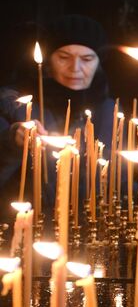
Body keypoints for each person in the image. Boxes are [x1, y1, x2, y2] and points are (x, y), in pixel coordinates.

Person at [0, 15, 116, 219]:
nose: (76, 68)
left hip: (91, 231)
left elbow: (121, 180)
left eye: (87, 59)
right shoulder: (13, 106)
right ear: (47, 61)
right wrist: (12, 141)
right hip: (24, 227)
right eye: (64, 57)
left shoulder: (108, 110)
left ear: (99, 63)